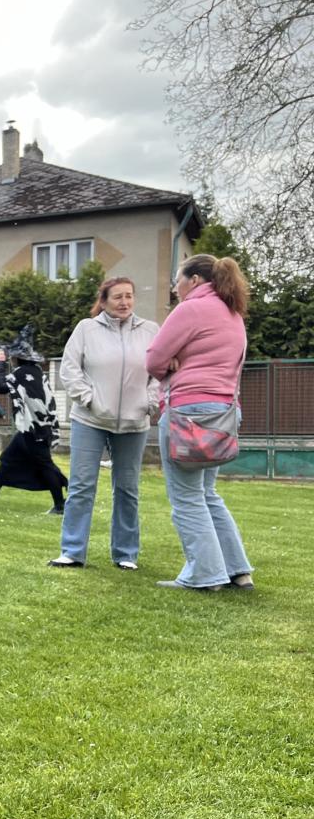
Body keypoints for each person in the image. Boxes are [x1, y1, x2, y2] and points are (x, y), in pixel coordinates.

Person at [145, 253, 254, 592]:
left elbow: (153, 359)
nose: (175, 287)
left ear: (193, 280)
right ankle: (237, 570)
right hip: (224, 412)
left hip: (188, 413)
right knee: (207, 493)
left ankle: (205, 575)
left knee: (187, 498)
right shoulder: (233, 313)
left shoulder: (190, 309)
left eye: (177, 280)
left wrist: (170, 364)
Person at [49, 278, 161, 570]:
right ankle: (72, 551)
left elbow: (160, 372)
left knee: (127, 489)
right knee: (82, 485)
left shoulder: (151, 330)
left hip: (135, 423)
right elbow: (70, 369)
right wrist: (88, 399)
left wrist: (149, 403)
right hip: (90, 419)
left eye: (129, 296)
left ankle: (125, 554)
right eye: (117, 297)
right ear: (104, 300)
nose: (124, 302)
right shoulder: (86, 329)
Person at [0, 325, 67, 513]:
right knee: (8, 459)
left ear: (17, 358)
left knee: (45, 465)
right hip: (35, 428)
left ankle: (60, 505)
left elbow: (0, 387)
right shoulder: (37, 372)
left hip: (34, 430)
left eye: (12, 356)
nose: (11, 359)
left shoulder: (21, 374)